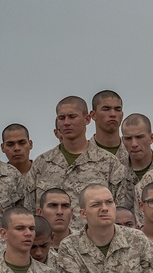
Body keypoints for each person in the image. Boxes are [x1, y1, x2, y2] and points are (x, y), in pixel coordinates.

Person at [25, 96, 131, 229]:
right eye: (61, 118)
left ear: (87, 119)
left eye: (72, 117)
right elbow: (28, 212)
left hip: (92, 243)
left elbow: (120, 212)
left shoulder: (109, 163)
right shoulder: (41, 164)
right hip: (48, 245)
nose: (66, 123)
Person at [120, 114, 153, 217]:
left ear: (152, 138)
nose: (134, 144)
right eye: (128, 138)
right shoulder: (115, 169)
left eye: (139, 137)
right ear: (123, 141)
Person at [89, 90, 126, 164]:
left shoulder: (134, 153)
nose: (113, 114)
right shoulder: (81, 155)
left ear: (122, 115)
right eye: (106, 109)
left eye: (117, 109)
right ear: (93, 115)